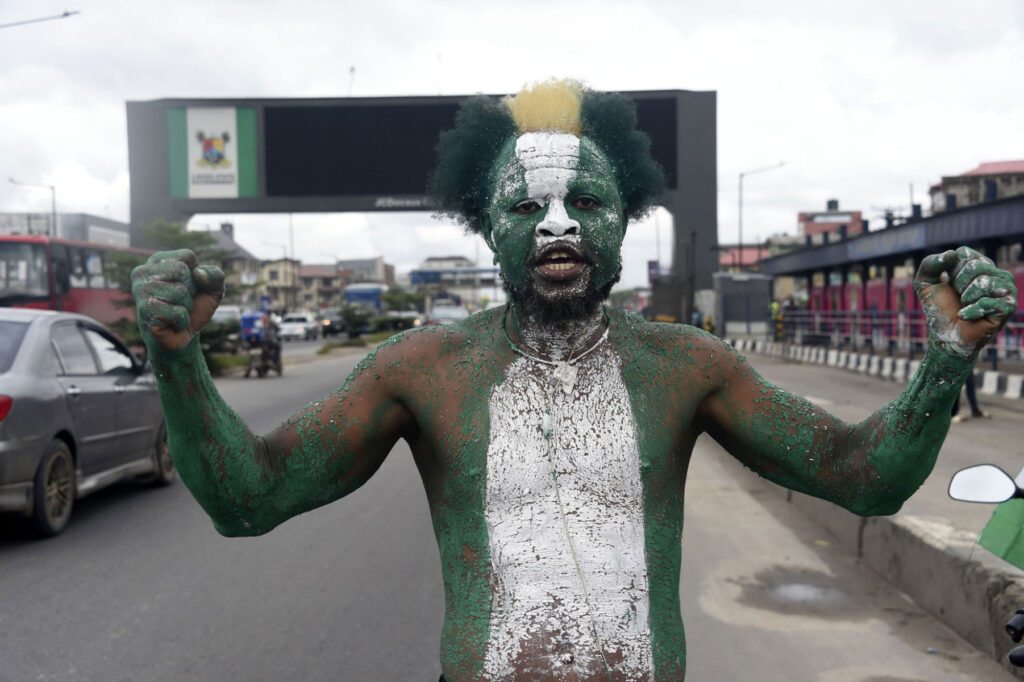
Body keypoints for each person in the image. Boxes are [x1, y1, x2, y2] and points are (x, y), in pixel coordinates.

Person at [131, 79, 1017, 681]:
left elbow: (865, 479)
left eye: (584, 203)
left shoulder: (685, 366)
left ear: (623, 220)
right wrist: (177, 359)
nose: (557, 225)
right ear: (490, 230)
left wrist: (945, 355)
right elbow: (251, 502)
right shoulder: (421, 368)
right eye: (526, 207)